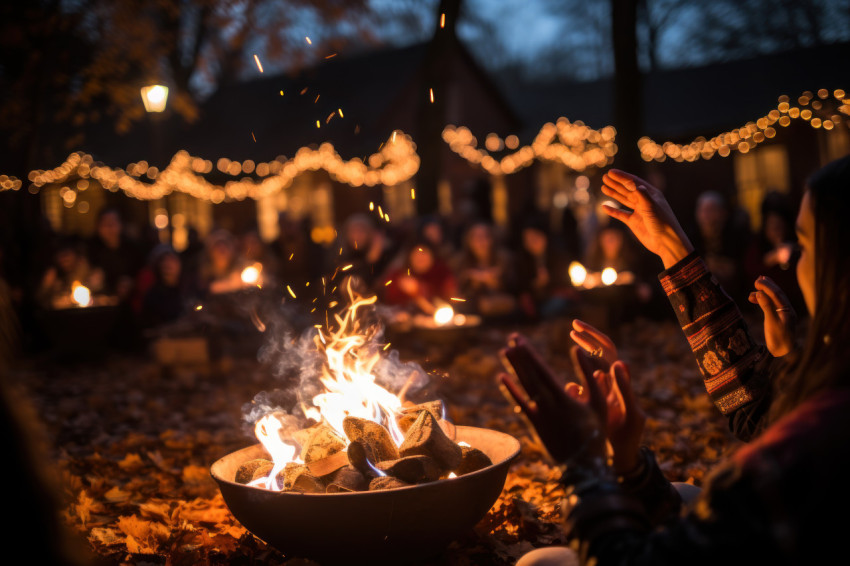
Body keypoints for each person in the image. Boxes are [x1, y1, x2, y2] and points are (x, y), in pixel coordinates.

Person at [504, 158, 850, 565]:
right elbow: (757, 412)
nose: (794, 260)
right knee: (684, 493)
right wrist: (629, 462)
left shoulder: (812, 447)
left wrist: (585, 460)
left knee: (540, 563)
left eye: (805, 246)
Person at [451, 221, 517, 319]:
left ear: (492, 239)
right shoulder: (460, 262)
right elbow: (456, 295)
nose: (480, 241)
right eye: (476, 237)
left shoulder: (504, 259)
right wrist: (472, 283)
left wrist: (497, 283)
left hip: (502, 308)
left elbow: (515, 289)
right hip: (473, 309)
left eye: (484, 236)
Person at [382, 240, 457, 314]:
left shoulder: (442, 273)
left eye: (423, 253)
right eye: (416, 254)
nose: (420, 258)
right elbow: (389, 302)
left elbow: (449, 300)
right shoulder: (400, 276)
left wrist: (419, 290)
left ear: (432, 255)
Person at [86, 207, 143, 301]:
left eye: (113, 223)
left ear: (121, 225)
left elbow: (141, 273)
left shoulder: (133, 249)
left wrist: (131, 282)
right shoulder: (91, 249)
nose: (109, 227)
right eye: (105, 224)